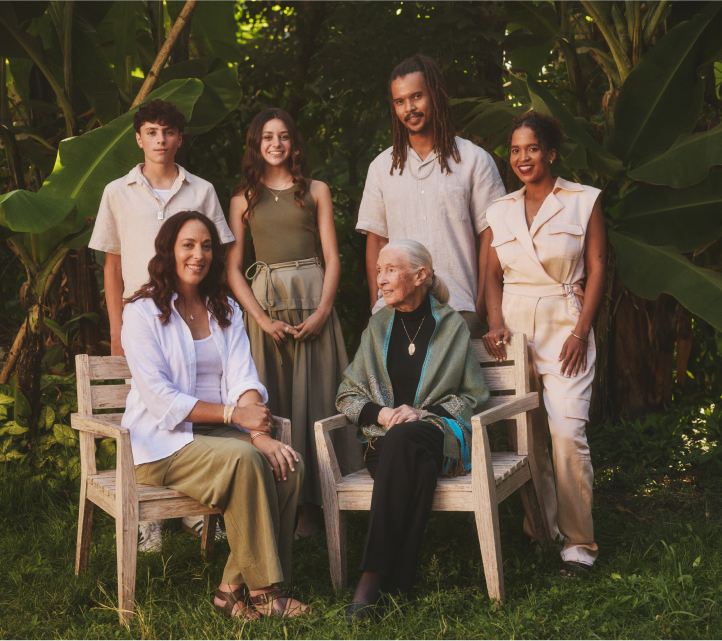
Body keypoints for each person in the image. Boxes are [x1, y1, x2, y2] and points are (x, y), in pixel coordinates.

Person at [121, 211, 312, 619]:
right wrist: (235, 416)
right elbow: (161, 400)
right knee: (244, 461)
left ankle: (228, 591)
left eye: (207, 246)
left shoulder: (223, 307)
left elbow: (244, 376)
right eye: (188, 245)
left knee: (286, 464)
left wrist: (259, 433)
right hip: (163, 443)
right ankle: (264, 591)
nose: (199, 254)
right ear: (169, 251)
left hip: (221, 433)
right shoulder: (141, 312)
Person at [89, 99, 234, 550]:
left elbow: (218, 255)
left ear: (179, 139)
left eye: (168, 132)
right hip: (142, 317)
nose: (160, 140)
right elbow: (112, 266)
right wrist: (115, 329)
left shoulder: (202, 190)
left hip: (192, 312)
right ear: (138, 137)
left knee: (195, 396)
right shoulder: (117, 190)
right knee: (144, 406)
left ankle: (195, 507)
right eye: (151, 131)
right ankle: (146, 513)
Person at [226, 108, 364, 538]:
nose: (276, 144)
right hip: (268, 308)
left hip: (312, 300)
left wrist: (323, 312)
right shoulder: (242, 199)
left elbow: (333, 256)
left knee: (319, 397)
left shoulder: (316, 190)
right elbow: (233, 269)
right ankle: (274, 501)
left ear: (294, 143)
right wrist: (262, 320)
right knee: (276, 400)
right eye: (267, 137)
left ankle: (321, 502)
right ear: (256, 144)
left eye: (283, 136)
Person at [336, 239, 489, 620]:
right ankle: (400, 582)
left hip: (435, 434)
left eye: (389, 271)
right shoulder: (377, 327)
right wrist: (384, 415)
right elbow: (347, 394)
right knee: (411, 459)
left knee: (408, 437)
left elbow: (472, 396)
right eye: (378, 273)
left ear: (420, 275)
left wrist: (421, 412)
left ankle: (370, 581)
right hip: (388, 444)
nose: (381, 281)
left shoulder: (452, 326)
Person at [482, 112, 606, 577]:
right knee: (528, 438)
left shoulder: (583, 201)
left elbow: (597, 270)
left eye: (532, 148)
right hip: (514, 331)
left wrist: (580, 333)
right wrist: (494, 322)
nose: (522, 157)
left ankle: (579, 544)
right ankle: (542, 528)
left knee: (567, 432)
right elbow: (492, 275)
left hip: (565, 325)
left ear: (550, 152)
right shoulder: (500, 210)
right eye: (515, 150)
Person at [356, 54, 506, 336]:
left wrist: (481, 306)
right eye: (400, 101)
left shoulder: (475, 160)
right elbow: (377, 239)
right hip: (395, 313)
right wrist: (379, 302)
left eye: (416, 97)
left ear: (435, 95)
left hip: (459, 310)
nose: (409, 108)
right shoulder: (381, 168)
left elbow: (492, 235)